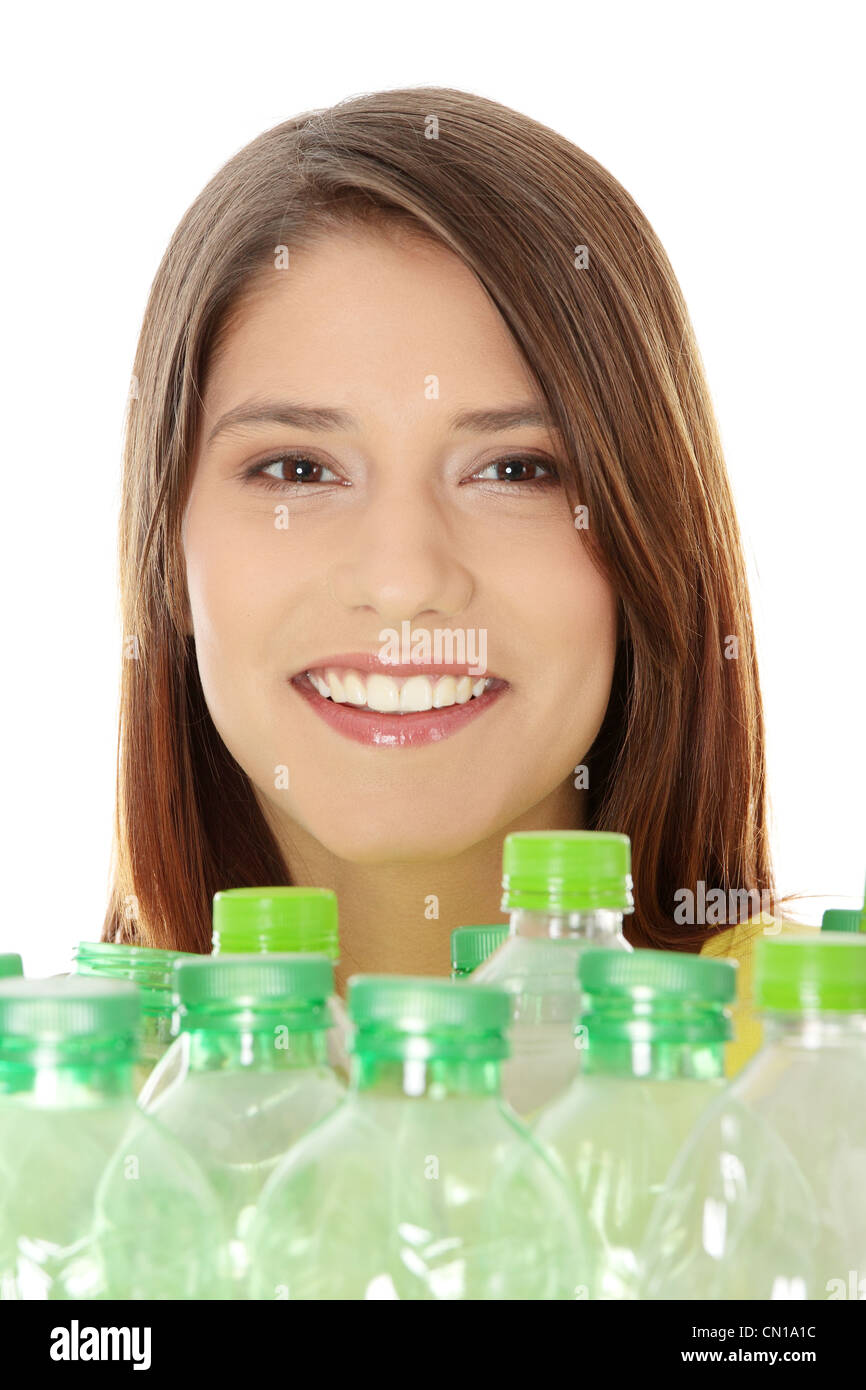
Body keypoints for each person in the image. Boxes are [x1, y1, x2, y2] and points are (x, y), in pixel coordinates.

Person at [103, 85, 811, 1077]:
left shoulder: (818, 1096)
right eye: (297, 470)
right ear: (167, 550)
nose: (402, 584)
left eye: (515, 470)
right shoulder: (49, 1139)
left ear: (650, 538)